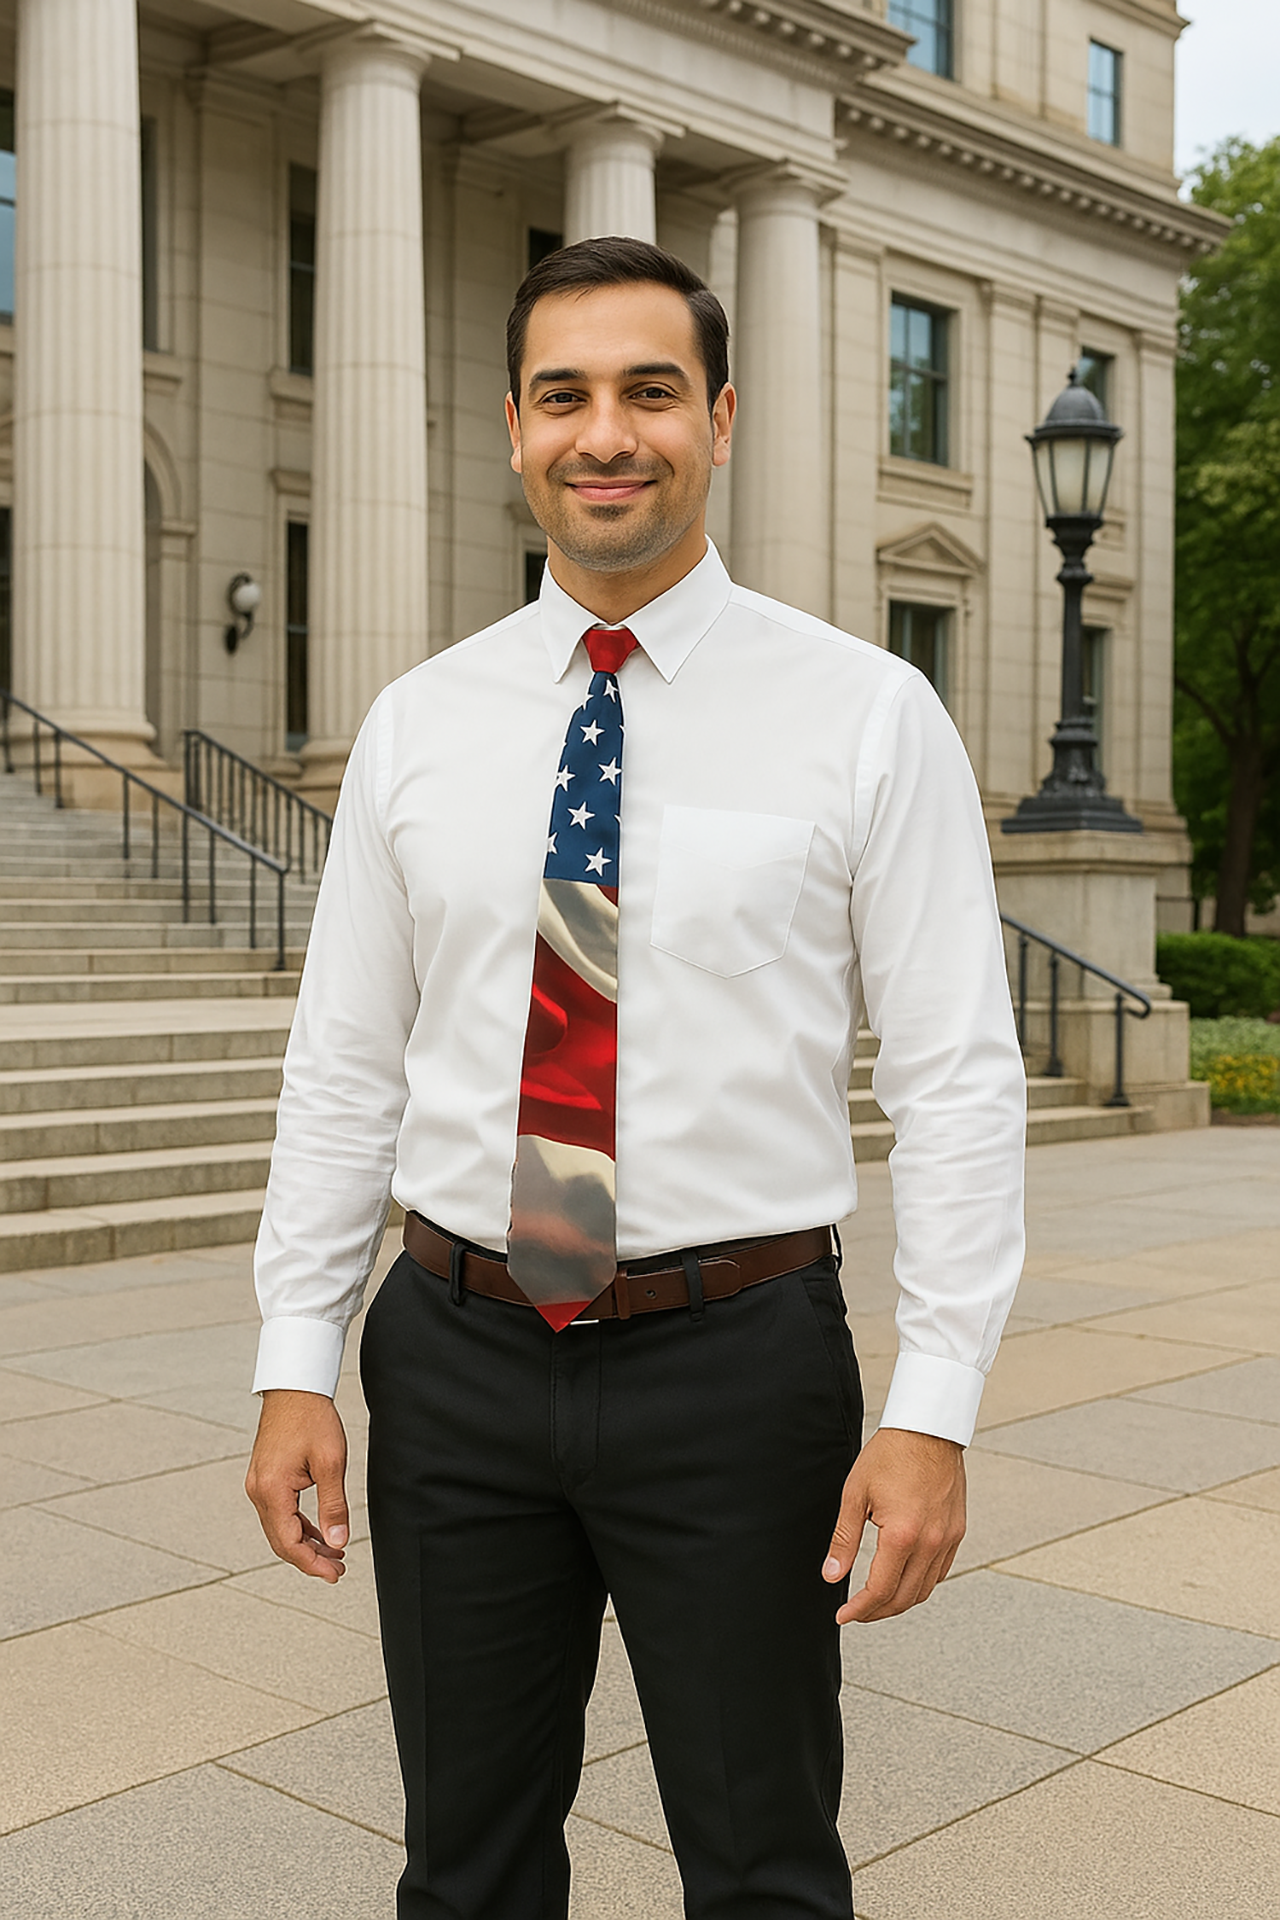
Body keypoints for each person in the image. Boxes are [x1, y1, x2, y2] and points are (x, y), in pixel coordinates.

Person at [246, 235, 1026, 1920]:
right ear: (516, 432)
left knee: (761, 1873)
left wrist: (932, 1408)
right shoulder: (418, 725)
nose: (609, 433)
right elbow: (342, 1066)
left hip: (737, 1376)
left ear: (720, 420)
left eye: (650, 392)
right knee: (464, 1874)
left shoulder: (868, 716)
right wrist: (296, 1355)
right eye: (566, 396)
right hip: (452, 1361)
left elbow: (959, 1077)